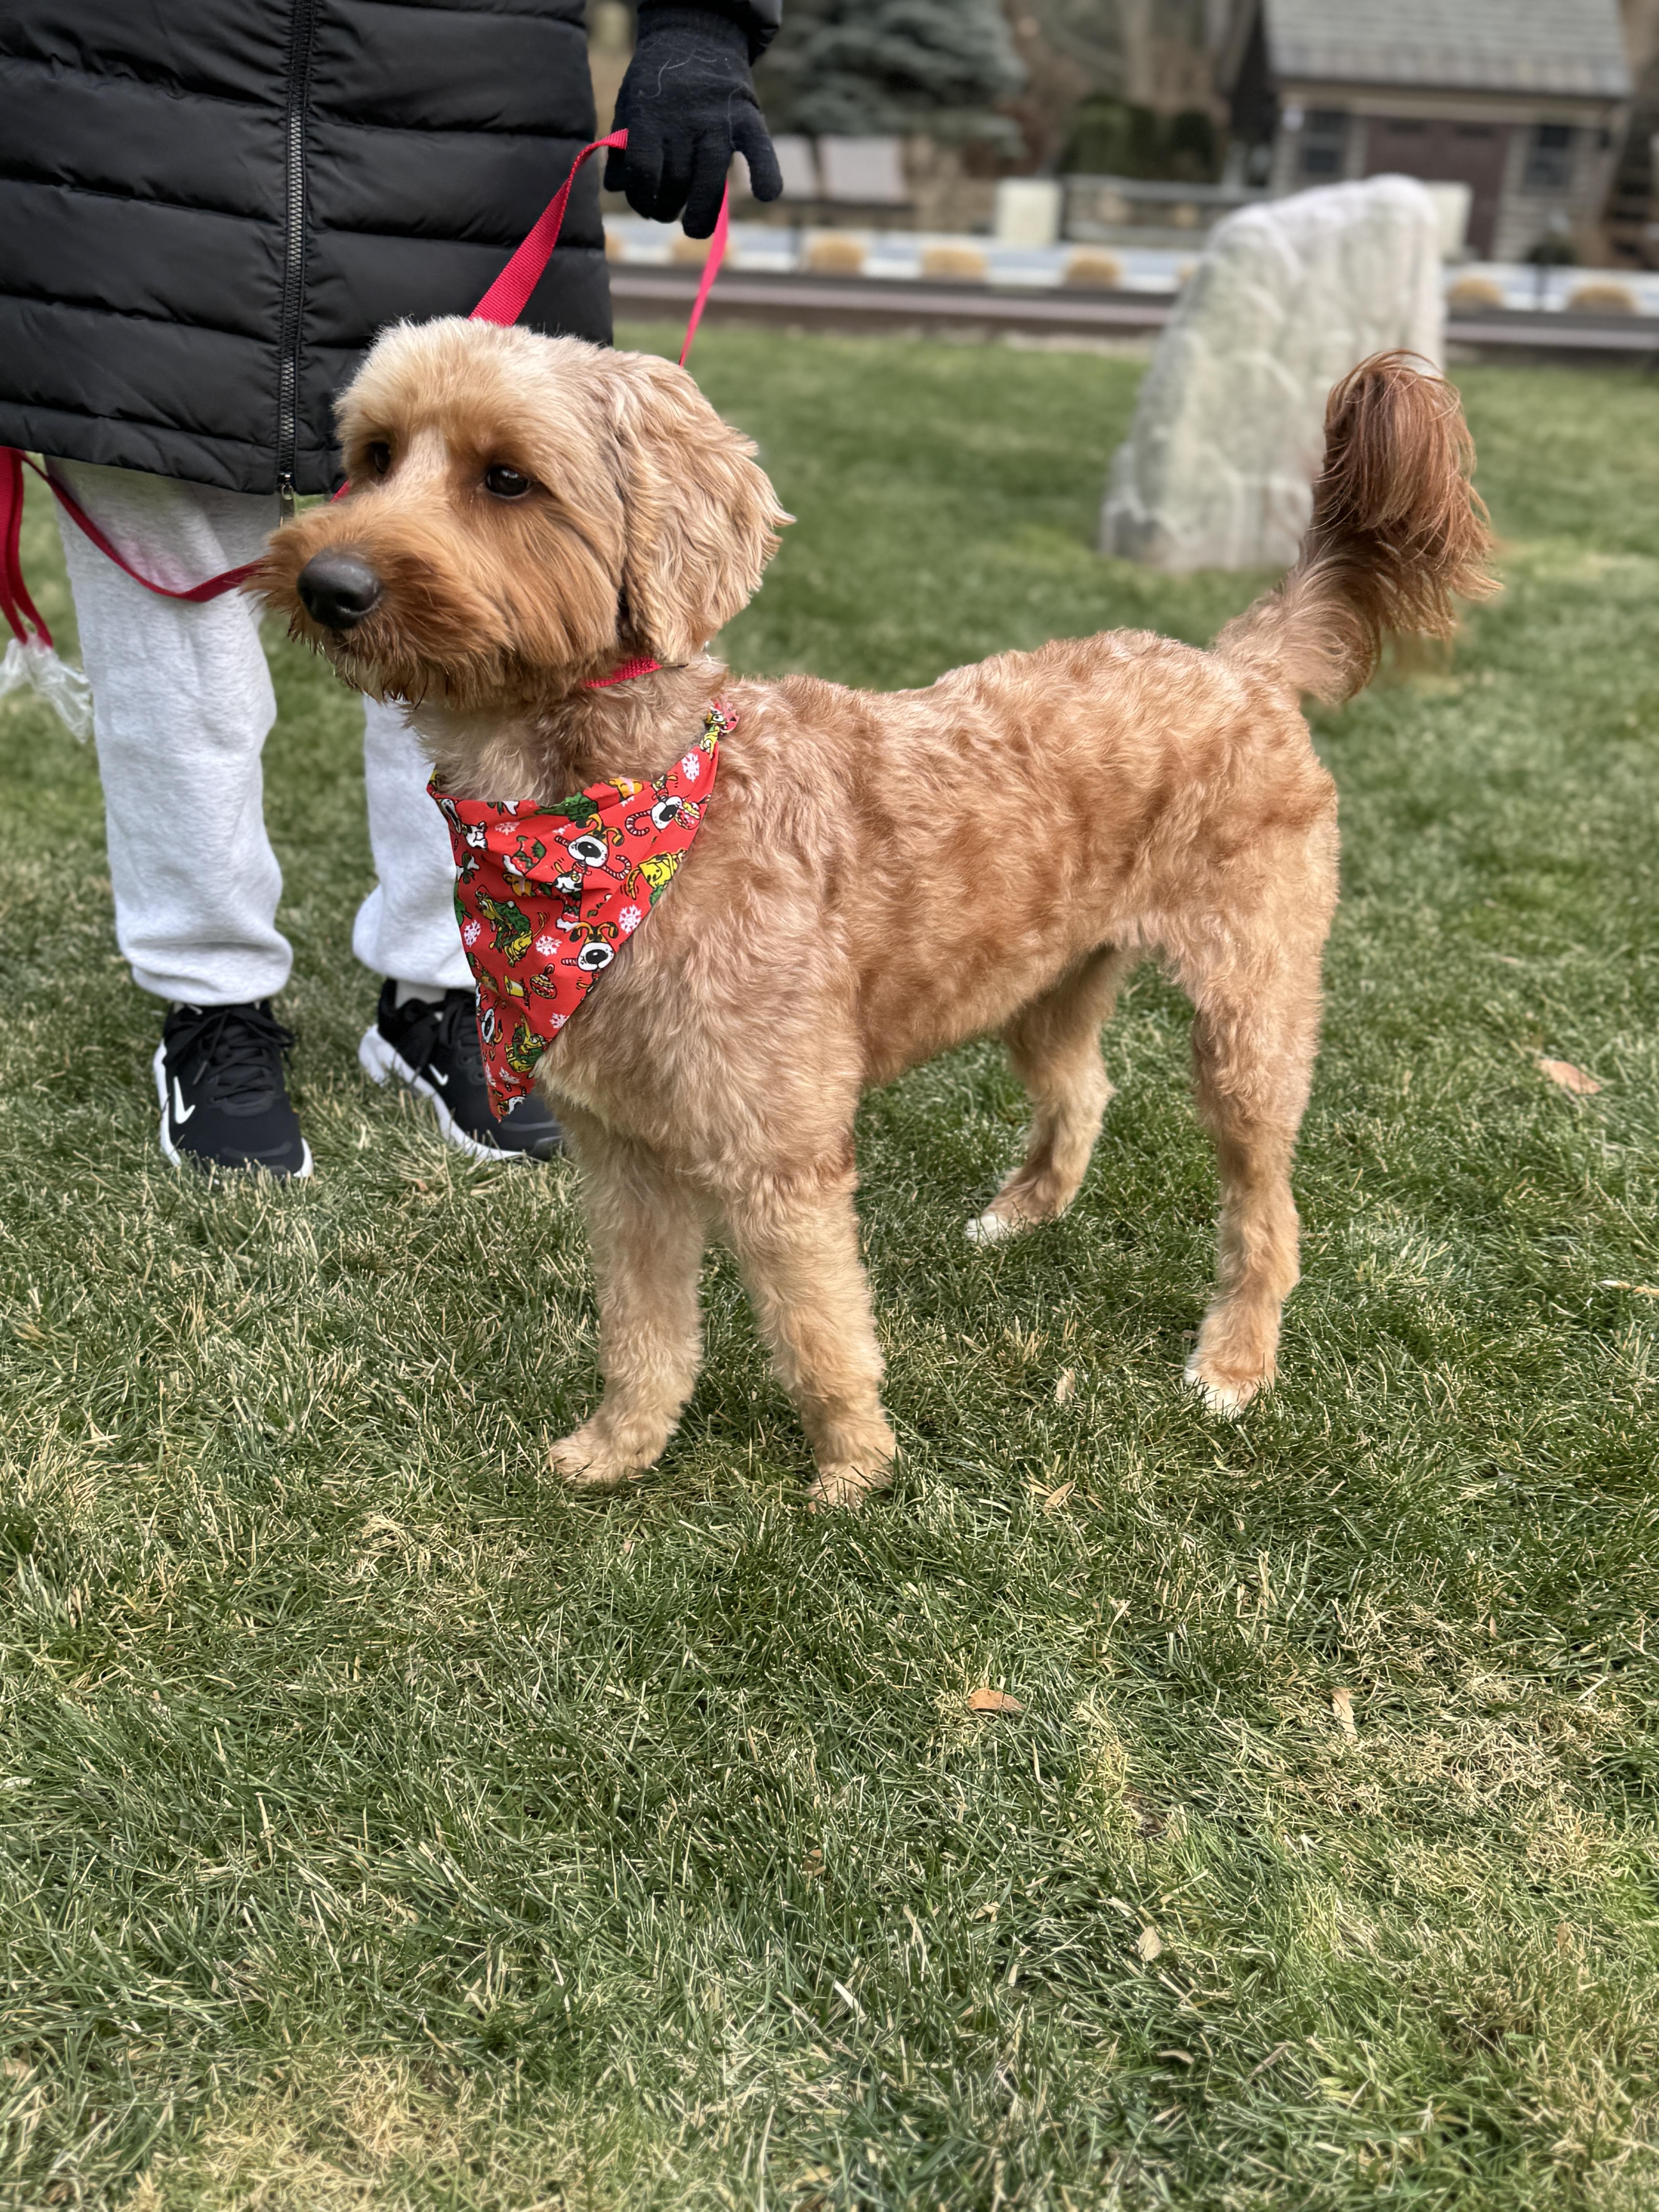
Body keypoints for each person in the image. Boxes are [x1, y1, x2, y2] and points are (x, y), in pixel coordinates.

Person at [0, 0, 781, 1176]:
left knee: (480, 623)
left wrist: (700, 23)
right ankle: (211, 1002)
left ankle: (448, 985)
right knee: (168, 636)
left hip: (465, 109)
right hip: (124, 115)